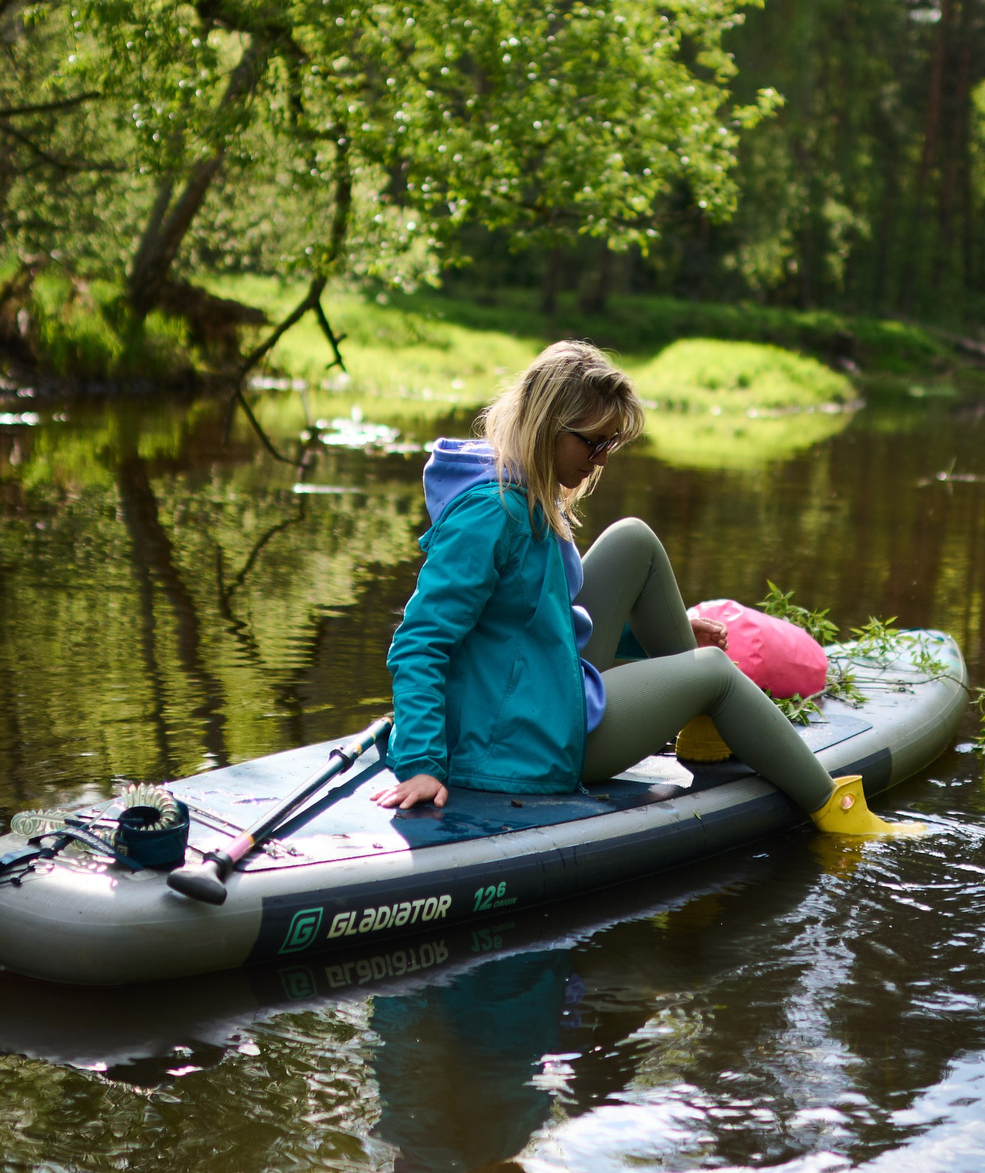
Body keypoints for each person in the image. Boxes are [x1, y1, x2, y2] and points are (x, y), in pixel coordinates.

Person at [374, 339, 889, 834]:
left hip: (534, 694)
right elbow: (420, 642)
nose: (600, 459)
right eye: (593, 441)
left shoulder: (518, 486)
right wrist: (422, 764)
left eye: (610, 444)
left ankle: (704, 721)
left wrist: (646, 640)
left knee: (631, 541)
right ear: (546, 424)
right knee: (713, 671)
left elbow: (532, 617)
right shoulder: (494, 512)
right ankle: (837, 811)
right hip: (522, 746)